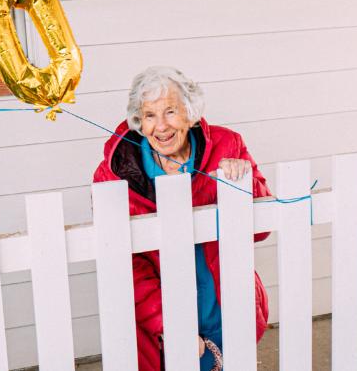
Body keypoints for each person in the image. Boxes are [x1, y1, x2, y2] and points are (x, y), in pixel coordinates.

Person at [92, 66, 271, 370]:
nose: (161, 126)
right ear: (139, 121)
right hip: (158, 328)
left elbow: (259, 230)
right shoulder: (113, 172)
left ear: (190, 113)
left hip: (224, 312)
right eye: (149, 115)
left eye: (171, 111)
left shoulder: (227, 146)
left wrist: (241, 181)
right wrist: (171, 326)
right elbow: (123, 264)